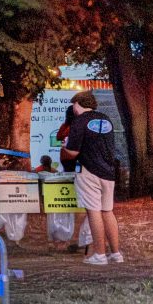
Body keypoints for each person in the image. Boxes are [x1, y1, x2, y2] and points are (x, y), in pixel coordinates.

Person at [61, 88, 127, 265]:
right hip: (108, 172)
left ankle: (99, 254)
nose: (73, 108)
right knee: (108, 211)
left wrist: (63, 149)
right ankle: (116, 253)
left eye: (73, 104)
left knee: (94, 213)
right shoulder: (106, 119)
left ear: (77, 104)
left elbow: (73, 152)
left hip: (88, 171)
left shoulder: (79, 121)